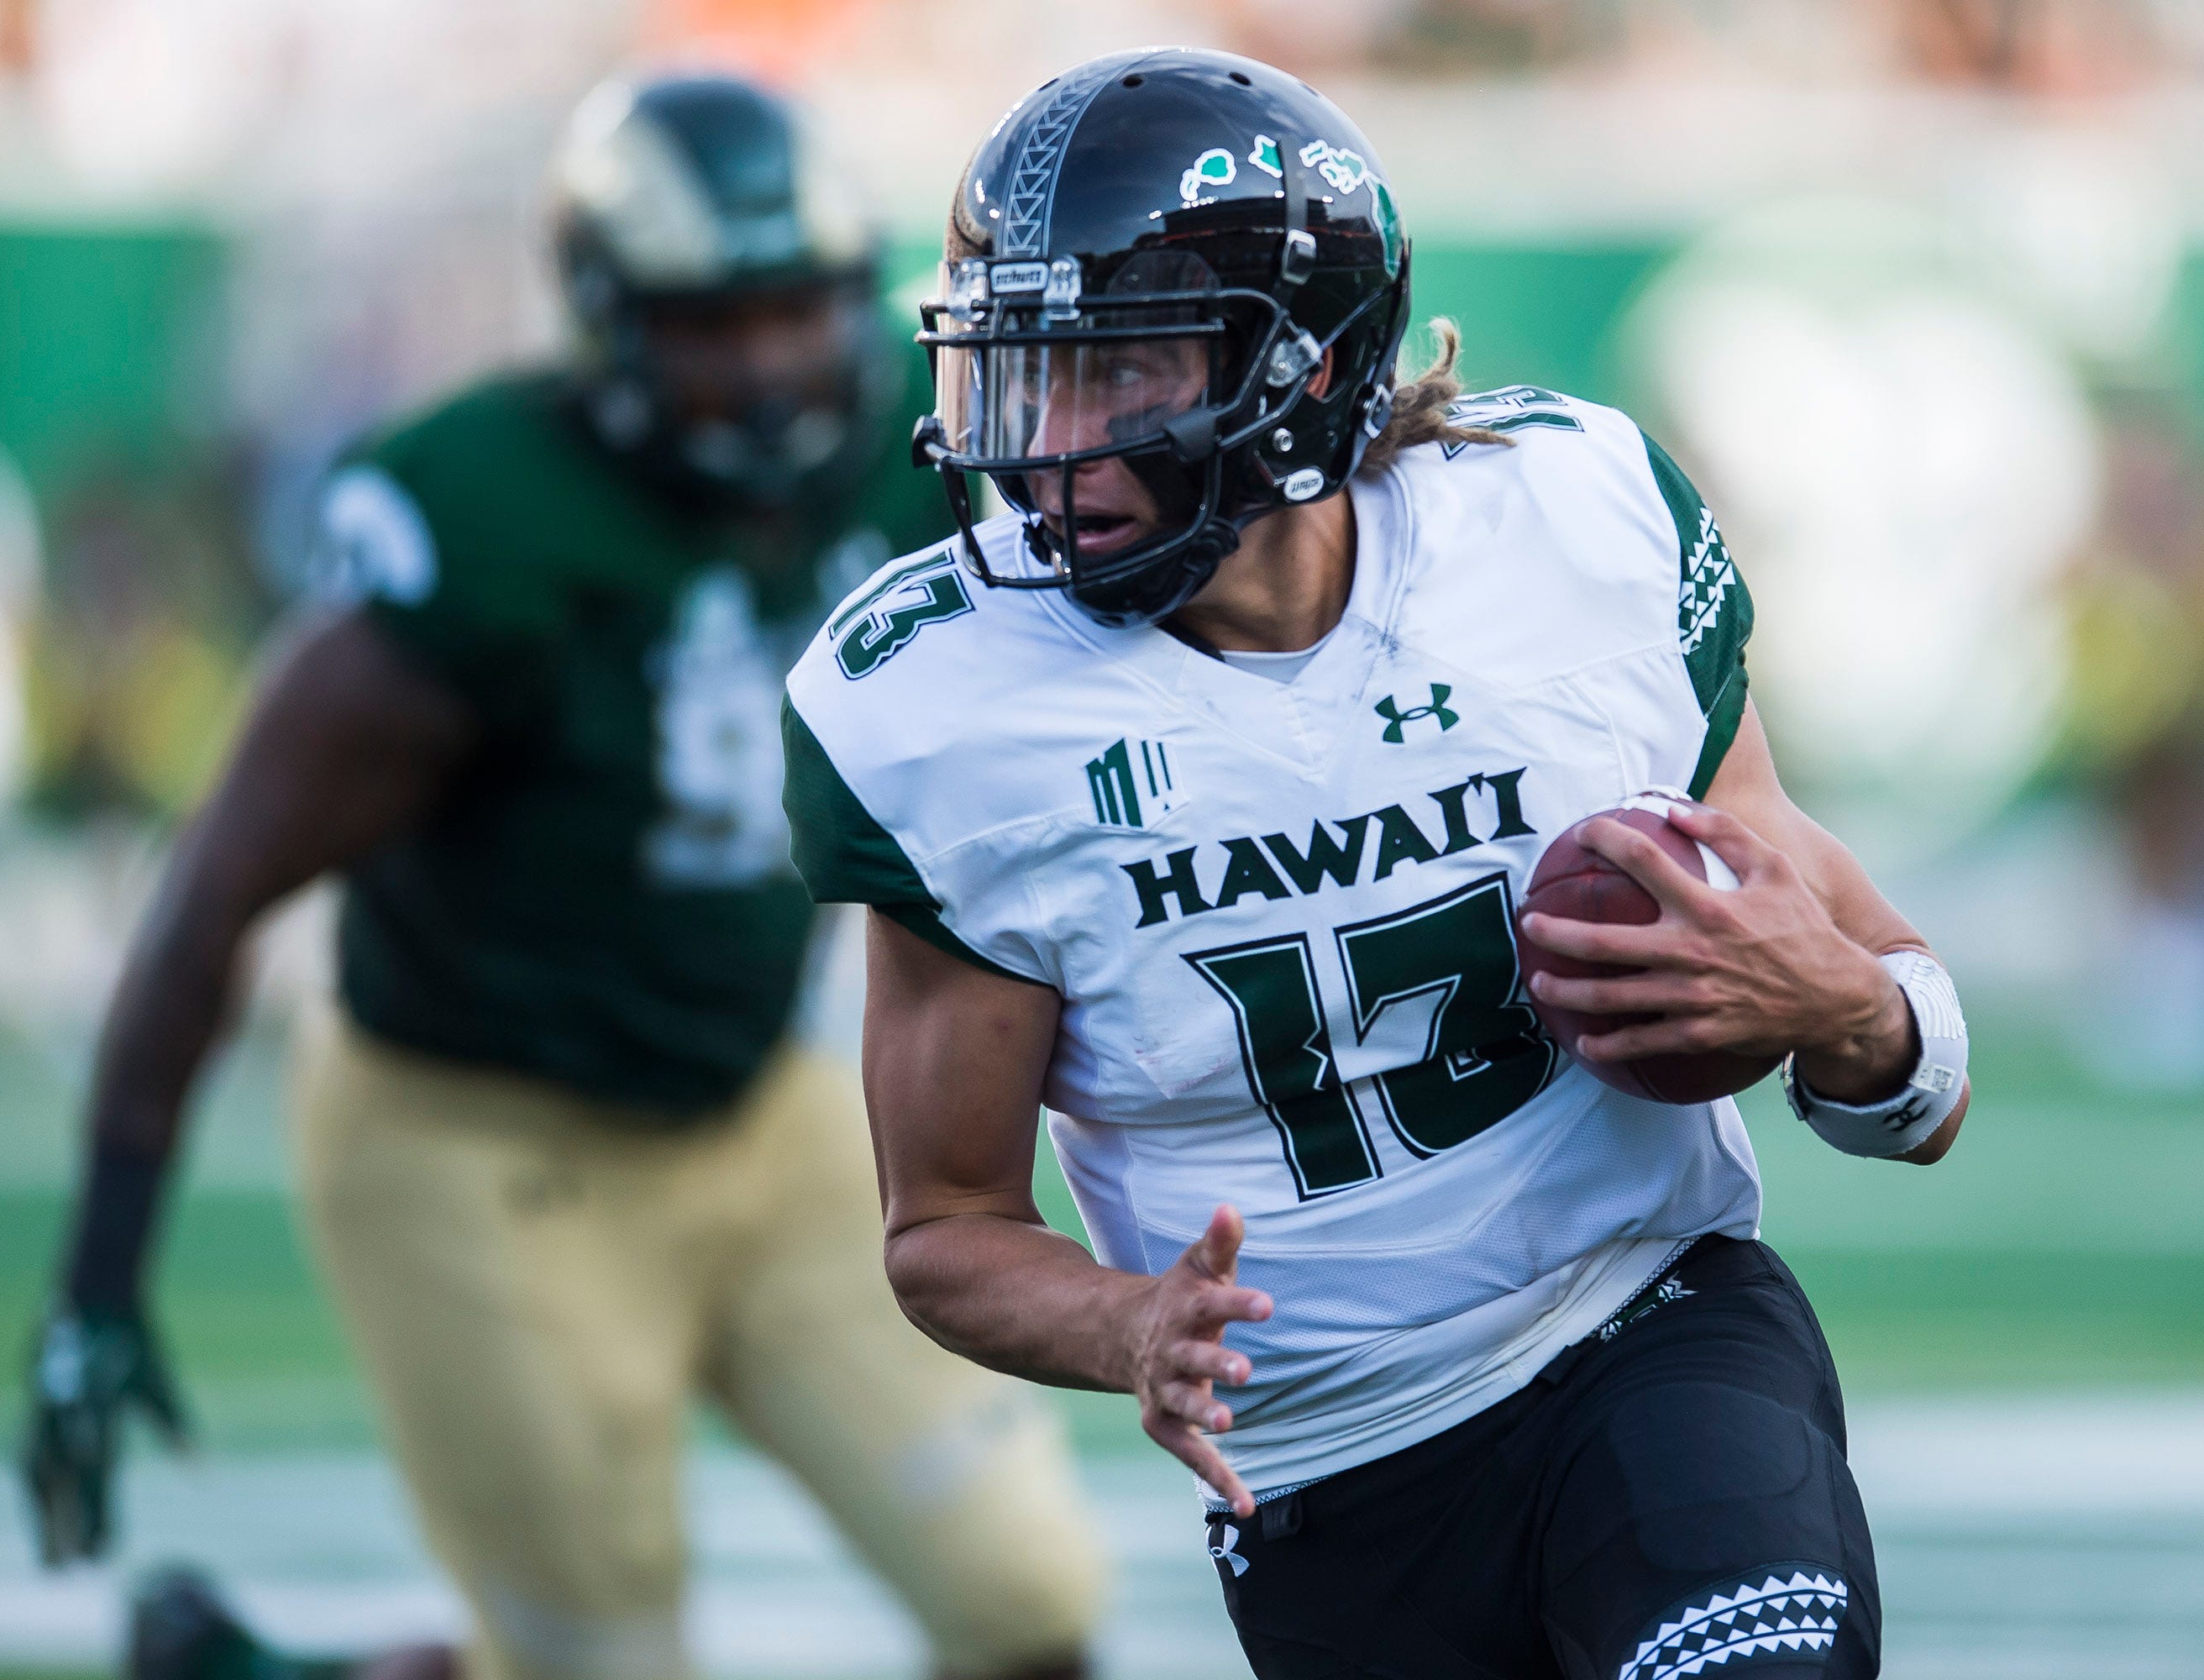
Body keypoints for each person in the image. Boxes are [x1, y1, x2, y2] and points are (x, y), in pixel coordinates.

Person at [782, 48, 1973, 1680]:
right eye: (1027, 372)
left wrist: (1842, 1010)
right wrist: (1129, 1324)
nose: (1052, 447)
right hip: (1329, 1474)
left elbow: (1916, 1074)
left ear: (1309, 364)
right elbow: (944, 1228)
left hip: (1646, 1328)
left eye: (1117, 375)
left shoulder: (1565, 526)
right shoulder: (940, 710)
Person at [19, 73, 1103, 1680]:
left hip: (757, 1103)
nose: (771, 365)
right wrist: (100, 1276)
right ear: (607, 318)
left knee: (1030, 1607)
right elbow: (214, 894)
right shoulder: (484, 524)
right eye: (714, 322)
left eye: (801, 308)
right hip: (478, 1143)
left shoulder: (916, 444)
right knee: (604, 1665)